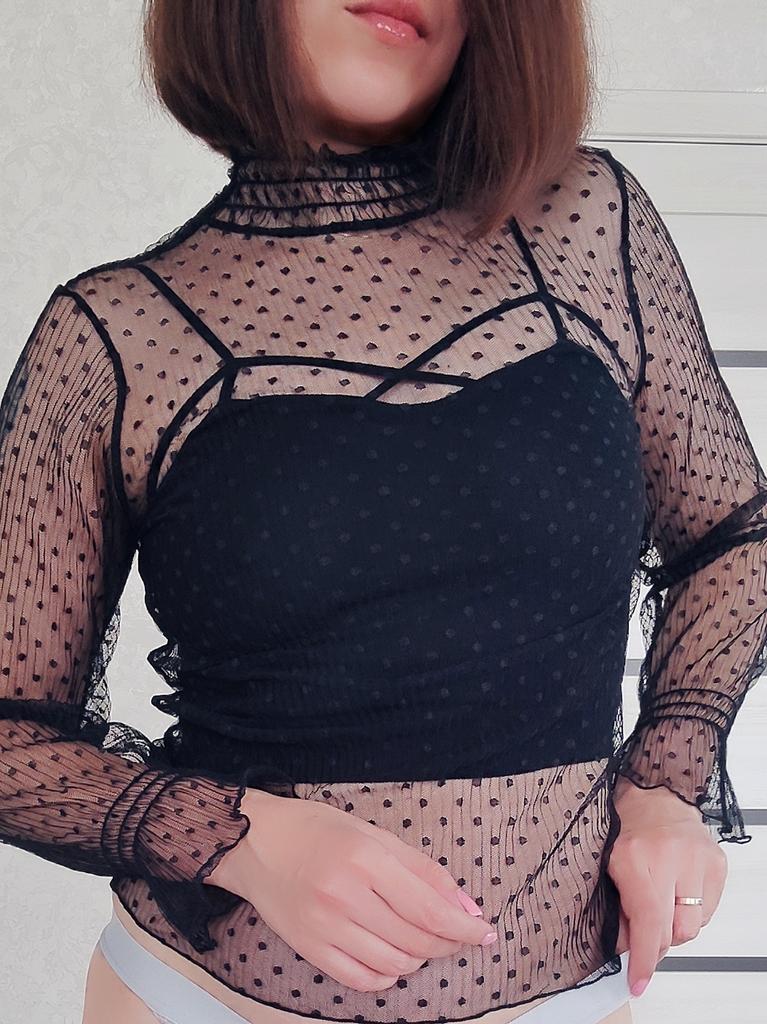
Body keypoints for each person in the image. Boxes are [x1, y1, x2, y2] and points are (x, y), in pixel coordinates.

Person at [1, 1, 764, 1022]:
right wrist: (235, 839)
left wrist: (666, 779)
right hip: (201, 999)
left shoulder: (587, 220)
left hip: (562, 997)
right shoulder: (114, 334)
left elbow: (733, 538)